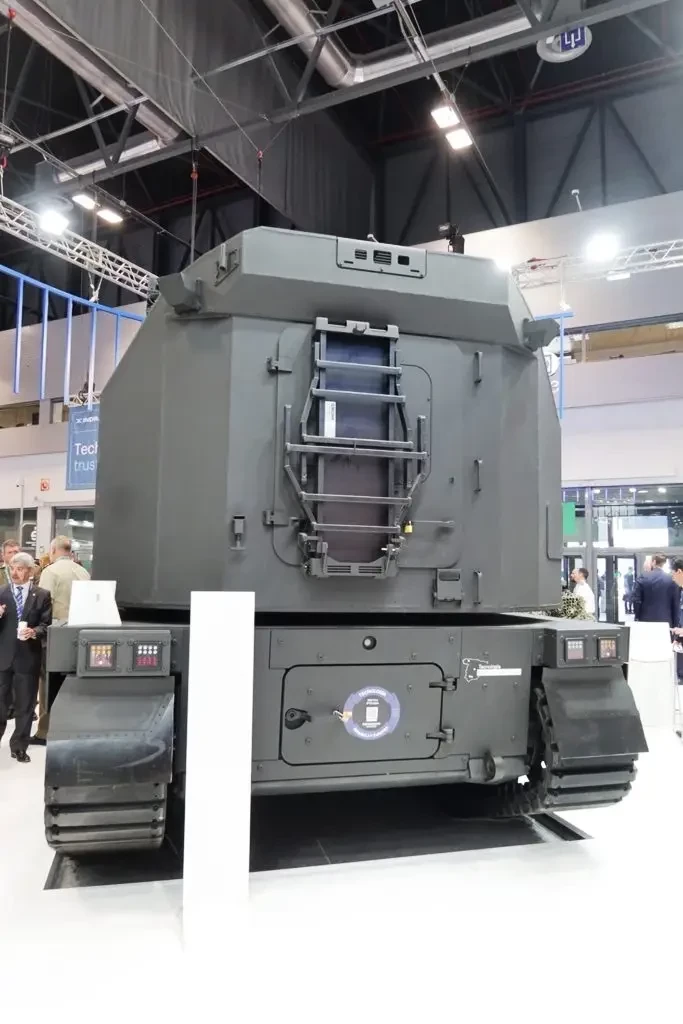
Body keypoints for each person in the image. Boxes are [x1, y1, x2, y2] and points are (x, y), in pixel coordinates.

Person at [29, 535, 90, 746]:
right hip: (80, 634)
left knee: (47, 682)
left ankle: (45, 731)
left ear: (53, 550)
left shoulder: (51, 571)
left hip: (54, 636)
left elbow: (42, 604)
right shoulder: (83, 572)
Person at [0, 552, 52, 763]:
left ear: (30, 571)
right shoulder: (1, 593)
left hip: (28, 657)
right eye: (12, 568)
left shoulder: (42, 595)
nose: (15, 573)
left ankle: (19, 746)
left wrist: (34, 632)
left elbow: (46, 625)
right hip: (3, 657)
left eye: (20, 569)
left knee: (26, 704)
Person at [633, 553, 681, 628]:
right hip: (666, 622)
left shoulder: (643, 577)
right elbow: (676, 604)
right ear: (663, 563)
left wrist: (637, 617)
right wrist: (675, 624)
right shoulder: (672, 580)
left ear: (654, 562)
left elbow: (636, 600)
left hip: (646, 621)